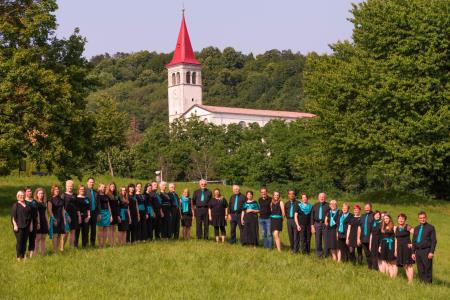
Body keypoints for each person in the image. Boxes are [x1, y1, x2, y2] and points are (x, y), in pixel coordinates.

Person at [412, 211, 437, 284]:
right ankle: (422, 283)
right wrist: (413, 252)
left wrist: (431, 252)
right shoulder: (416, 228)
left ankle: (428, 284)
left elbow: (434, 241)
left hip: (426, 251)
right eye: (420, 218)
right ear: (418, 219)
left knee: (427, 268)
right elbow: (413, 241)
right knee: (420, 268)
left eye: (423, 218)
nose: (422, 219)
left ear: (426, 218)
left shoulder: (431, 228)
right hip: (418, 251)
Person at [11, 190, 32, 261]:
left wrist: (30, 225)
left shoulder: (28, 205)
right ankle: (18, 256)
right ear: (17, 197)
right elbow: (13, 217)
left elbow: (30, 217)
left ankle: (23, 255)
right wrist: (15, 225)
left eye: (23, 195)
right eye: (20, 196)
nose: (22, 197)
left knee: (25, 241)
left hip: (26, 226)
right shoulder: (16, 205)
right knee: (20, 241)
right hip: (19, 227)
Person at [395, 213, 414, 283]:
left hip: (407, 248)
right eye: (399, 218)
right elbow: (396, 239)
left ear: (405, 220)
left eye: (402, 219)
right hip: (400, 248)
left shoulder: (407, 226)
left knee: (409, 264)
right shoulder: (397, 228)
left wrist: (413, 244)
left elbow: (416, 233)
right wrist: (395, 249)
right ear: (397, 219)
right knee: (405, 265)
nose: (401, 220)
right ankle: (409, 280)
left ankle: (411, 281)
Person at [48, 184, 66, 252]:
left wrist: (64, 220)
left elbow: (63, 210)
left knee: (60, 235)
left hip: (61, 218)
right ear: (53, 190)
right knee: (55, 235)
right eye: (56, 189)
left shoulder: (61, 199)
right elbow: (49, 211)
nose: (57, 190)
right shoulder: (50, 199)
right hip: (54, 218)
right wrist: (53, 219)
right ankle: (54, 250)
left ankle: (57, 249)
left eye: (58, 189)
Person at [63, 180, 80, 248]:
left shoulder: (75, 195)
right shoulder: (63, 195)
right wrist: (66, 215)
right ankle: (62, 248)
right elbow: (62, 207)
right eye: (69, 186)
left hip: (74, 215)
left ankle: (71, 247)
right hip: (66, 215)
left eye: (71, 186)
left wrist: (79, 216)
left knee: (73, 232)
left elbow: (77, 206)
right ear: (66, 186)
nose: (70, 187)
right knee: (66, 232)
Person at [311, 192, 329, 257]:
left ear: (325, 198)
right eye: (320, 197)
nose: (322, 198)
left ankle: (327, 254)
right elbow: (312, 217)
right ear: (318, 198)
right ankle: (319, 254)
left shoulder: (328, 205)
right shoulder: (315, 206)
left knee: (326, 240)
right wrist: (312, 226)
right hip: (317, 224)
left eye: (323, 197)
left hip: (325, 224)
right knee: (318, 240)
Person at [379, 214, 397, 278]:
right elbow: (382, 237)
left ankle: (393, 276)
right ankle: (390, 275)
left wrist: (396, 248)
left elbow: (396, 238)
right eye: (385, 219)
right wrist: (380, 246)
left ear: (390, 219)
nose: (386, 220)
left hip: (391, 244)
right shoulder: (383, 227)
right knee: (387, 260)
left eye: (387, 218)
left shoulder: (394, 227)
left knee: (392, 261)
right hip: (384, 245)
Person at [96, 183, 112, 248]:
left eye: (104, 187)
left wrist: (111, 215)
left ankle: (104, 244)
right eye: (102, 187)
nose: (103, 188)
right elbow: (97, 206)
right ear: (99, 188)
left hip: (107, 213)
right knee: (100, 229)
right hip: (100, 213)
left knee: (106, 229)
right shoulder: (97, 196)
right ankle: (100, 244)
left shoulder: (106, 196)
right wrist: (98, 214)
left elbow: (108, 206)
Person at [34, 187, 49, 256]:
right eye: (40, 193)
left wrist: (48, 223)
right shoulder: (35, 202)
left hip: (44, 222)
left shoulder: (44, 202)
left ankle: (43, 254)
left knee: (43, 238)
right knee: (37, 239)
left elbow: (46, 213)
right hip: (38, 222)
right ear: (36, 194)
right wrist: (38, 223)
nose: (41, 195)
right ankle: (35, 254)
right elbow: (36, 214)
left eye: (42, 193)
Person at [24, 186, 38, 258]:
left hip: (34, 222)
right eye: (28, 191)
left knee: (32, 239)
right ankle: (24, 255)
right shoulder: (23, 201)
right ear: (25, 192)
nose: (30, 192)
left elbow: (37, 213)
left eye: (30, 191)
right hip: (25, 223)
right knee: (24, 239)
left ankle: (31, 255)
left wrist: (38, 223)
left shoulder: (34, 201)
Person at [360, 202, 375, 269]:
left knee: (372, 252)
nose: (367, 209)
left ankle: (375, 266)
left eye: (368, 207)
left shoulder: (374, 215)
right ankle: (370, 266)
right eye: (365, 207)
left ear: (371, 208)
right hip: (363, 238)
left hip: (371, 237)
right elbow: (359, 227)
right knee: (367, 253)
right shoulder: (362, 216)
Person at [285, 189, 299, 254]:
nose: (291, 195)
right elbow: (284, 212)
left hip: (296, 220)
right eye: (290, 194)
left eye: (293, 194)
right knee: (290, 235)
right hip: (289, 220)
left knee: (296, 235)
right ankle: (292, 248)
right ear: (288, 195)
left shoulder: (298, 203)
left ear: (294, 195)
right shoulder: (286, 204)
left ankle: (295, 249)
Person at [86, 177, 97, 247]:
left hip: (94, 213)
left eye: (92, 182)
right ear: (87, 183)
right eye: (90, 182)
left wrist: (98, 213)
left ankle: (92, 244)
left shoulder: (95, 192)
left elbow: (98, 203)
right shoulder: (84, 191)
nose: (91, 183)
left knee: (93, 229)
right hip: (87, 213)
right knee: (86, 229)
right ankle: (86, 244)